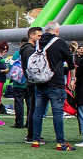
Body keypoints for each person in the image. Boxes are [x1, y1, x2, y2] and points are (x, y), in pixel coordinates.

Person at [30, 22, 75, 151]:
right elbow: (70, 62)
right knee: (57, 113)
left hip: (40, 81)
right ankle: (60, 142)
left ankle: (36, 140)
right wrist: (73, 78)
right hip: (56, 82)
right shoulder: (59, 42)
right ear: (56, 30)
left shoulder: (39, 43)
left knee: (38, 112)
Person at [19, 27, 42, 142]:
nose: (40, 38)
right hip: (32, 82)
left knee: (33, 108)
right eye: (38, 36)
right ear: (31, 36)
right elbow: (32, 68)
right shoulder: (29, 50)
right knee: (34, 109)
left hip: (31, 82)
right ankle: (32, 135)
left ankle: (32, 133)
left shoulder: (29, 49)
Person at [9, 39, 28, 129]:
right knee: (30, 104)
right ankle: (29, 123)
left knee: (18, 103)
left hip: (18, 82)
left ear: (21, 44)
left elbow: (11, 66)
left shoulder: (17, 53)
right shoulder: (32, 52)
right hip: (29, 82)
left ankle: (19, 122)